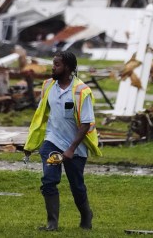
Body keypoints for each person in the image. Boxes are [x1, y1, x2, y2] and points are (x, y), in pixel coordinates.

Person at [23, 50, 102, 231]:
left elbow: (85, 123)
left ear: (67, 67)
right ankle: (52, 223)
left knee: (77, 186)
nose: (53, 67)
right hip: (52, 141)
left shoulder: (82, 91)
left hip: (76, 146)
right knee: (49, 181)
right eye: (53, 63)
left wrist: (71, 149)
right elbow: (40, 117)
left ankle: (86, 215)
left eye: (57, 64)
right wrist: (31, 145)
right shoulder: (48, 86)